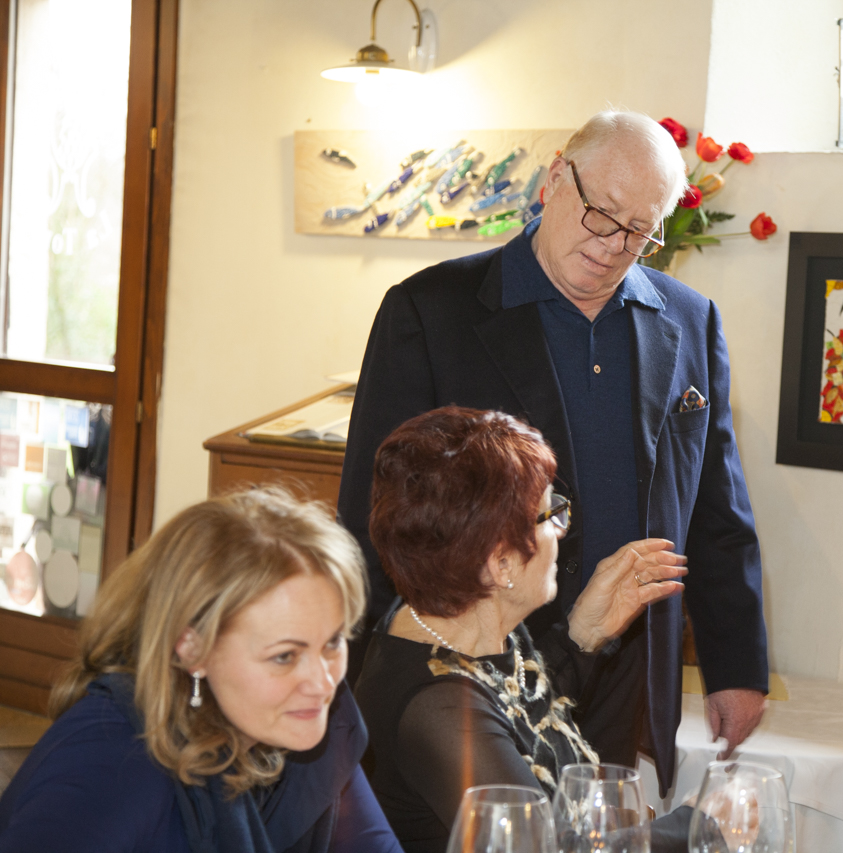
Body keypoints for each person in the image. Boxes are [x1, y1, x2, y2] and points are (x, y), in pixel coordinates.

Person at [338, 110, 769, 792]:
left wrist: (736, 666)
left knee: (603, 825)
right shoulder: (430, 310)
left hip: (629, 656)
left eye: (639, 231)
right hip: (483, 660)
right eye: (602, 213)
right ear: (556, 179)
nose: (612, 244)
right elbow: (371, 512)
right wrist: (358, 672)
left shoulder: (690, 319)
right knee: (507, 826)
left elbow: (718, 506)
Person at [354, 407, 692, 853]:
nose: (562, 529)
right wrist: (695, 827)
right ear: (501, 563)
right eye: (550, 513)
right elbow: (539, 846)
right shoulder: (438, 709)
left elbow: (513, 711)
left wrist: (582, 634)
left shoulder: (461, 617)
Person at [0, 488, 403, 853]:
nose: (323, 682)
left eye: (333, 642)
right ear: (192, 648)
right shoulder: (110, 760)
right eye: (284, 657)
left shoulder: (315, 720)